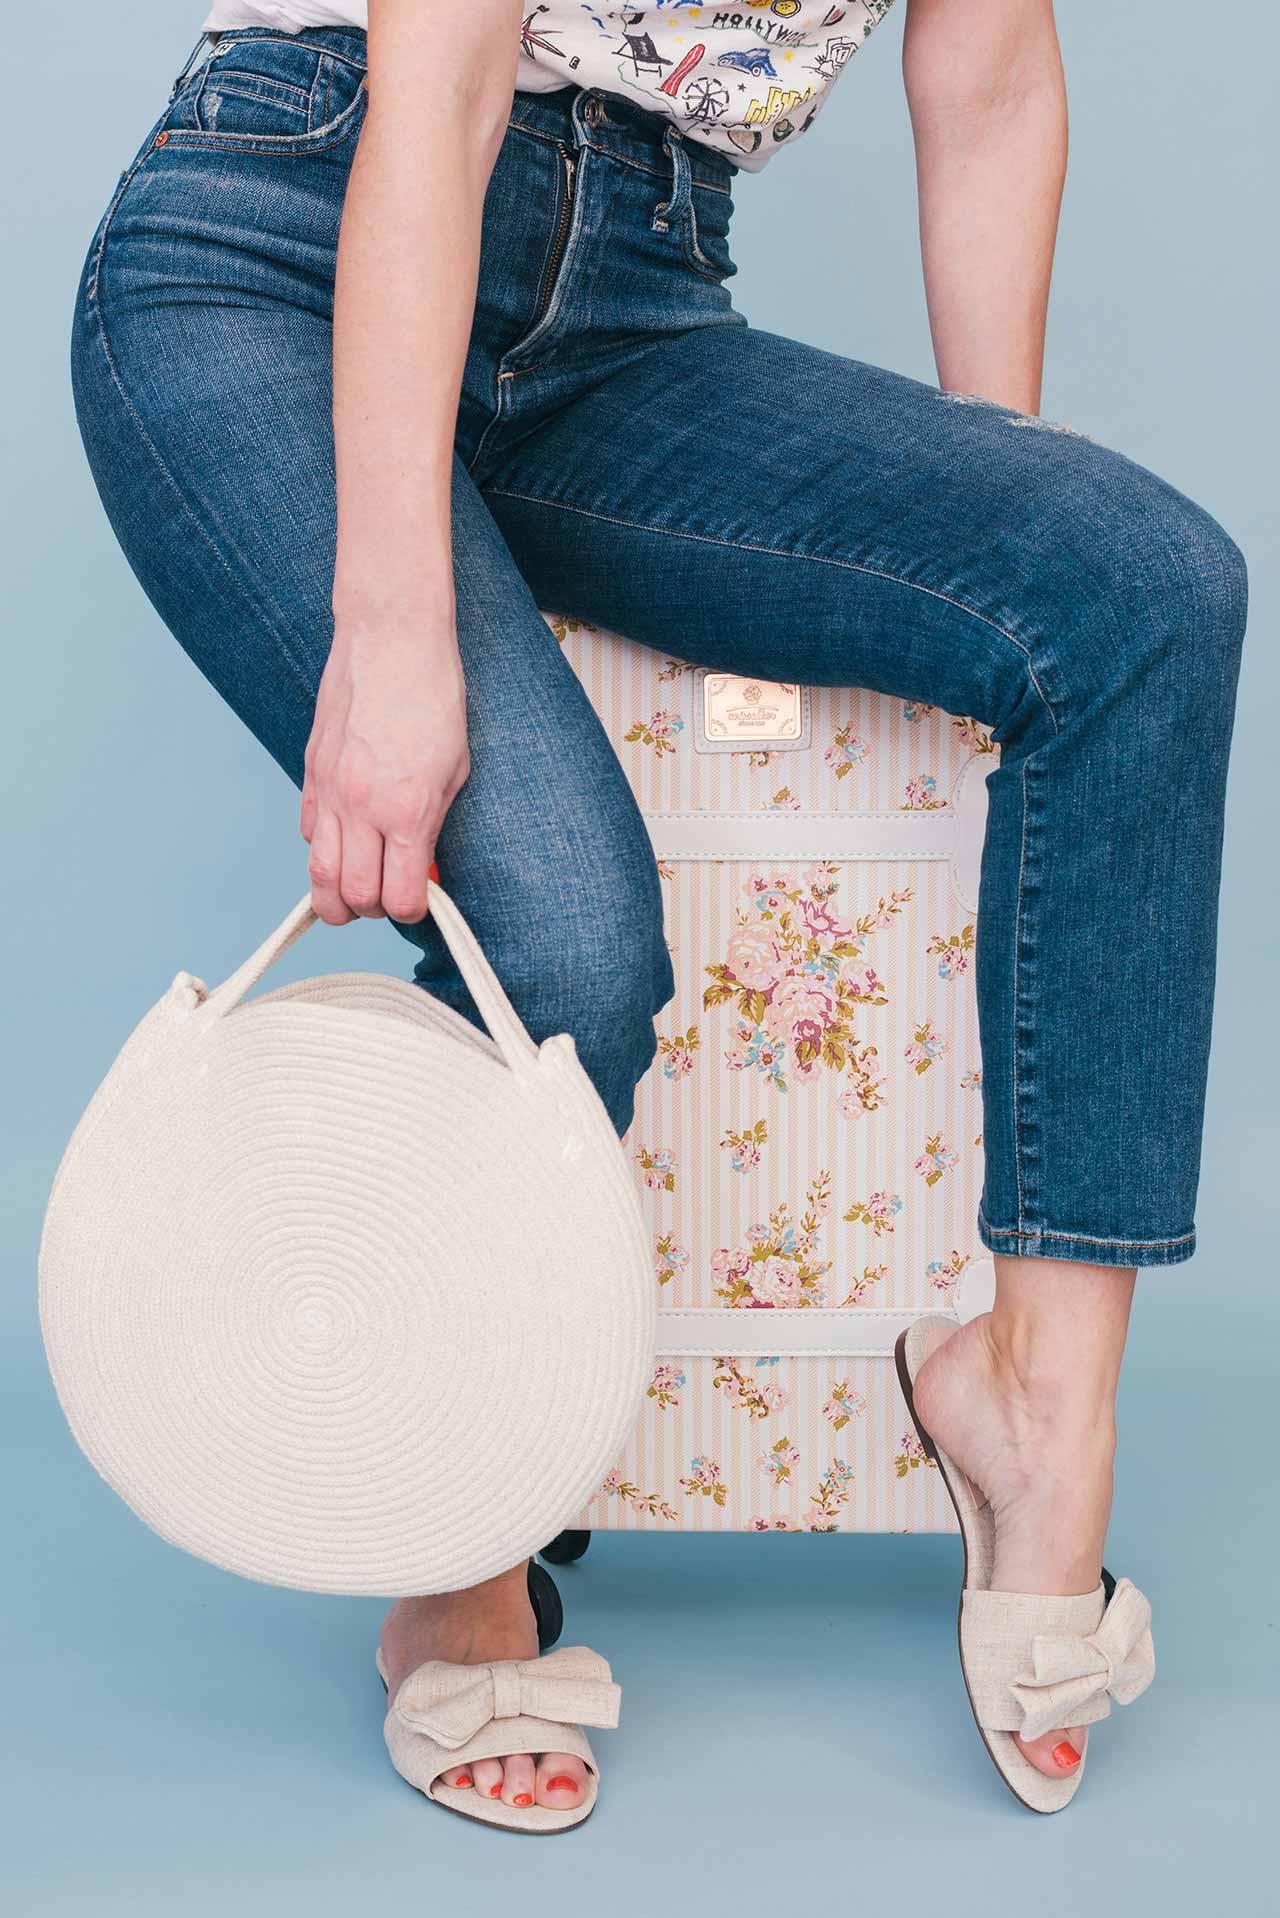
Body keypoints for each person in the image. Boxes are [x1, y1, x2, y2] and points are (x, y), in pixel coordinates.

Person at [70, 0, 1248, 1827]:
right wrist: (394, 632)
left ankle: (1033, 1411)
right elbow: (442, 89)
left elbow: (993, 74)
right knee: (567, 926)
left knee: (1142, 591)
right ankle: (454, 1529)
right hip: (287, 231)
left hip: (632, 300)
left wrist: (997, 515)